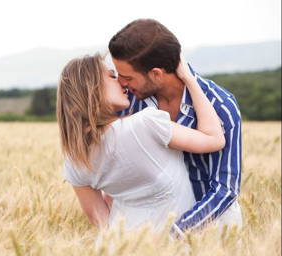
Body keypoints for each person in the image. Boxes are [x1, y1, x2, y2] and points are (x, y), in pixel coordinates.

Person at [57, 53, 227, 237]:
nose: (122, 82)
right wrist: (190, 79)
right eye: (112, 76)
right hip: (173, 249)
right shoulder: (146, 123)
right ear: (92, 88)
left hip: (124, 254)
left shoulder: (74, 158)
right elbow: (214, 139)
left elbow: (104, 223)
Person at [108, 19, 243, 237]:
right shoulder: (131, 102)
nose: (121, 82)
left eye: (127, 76)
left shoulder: (220, 105)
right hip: (147, 231)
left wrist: (175, 233)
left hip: (211, 233)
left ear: (156, 74)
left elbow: (225, 189)